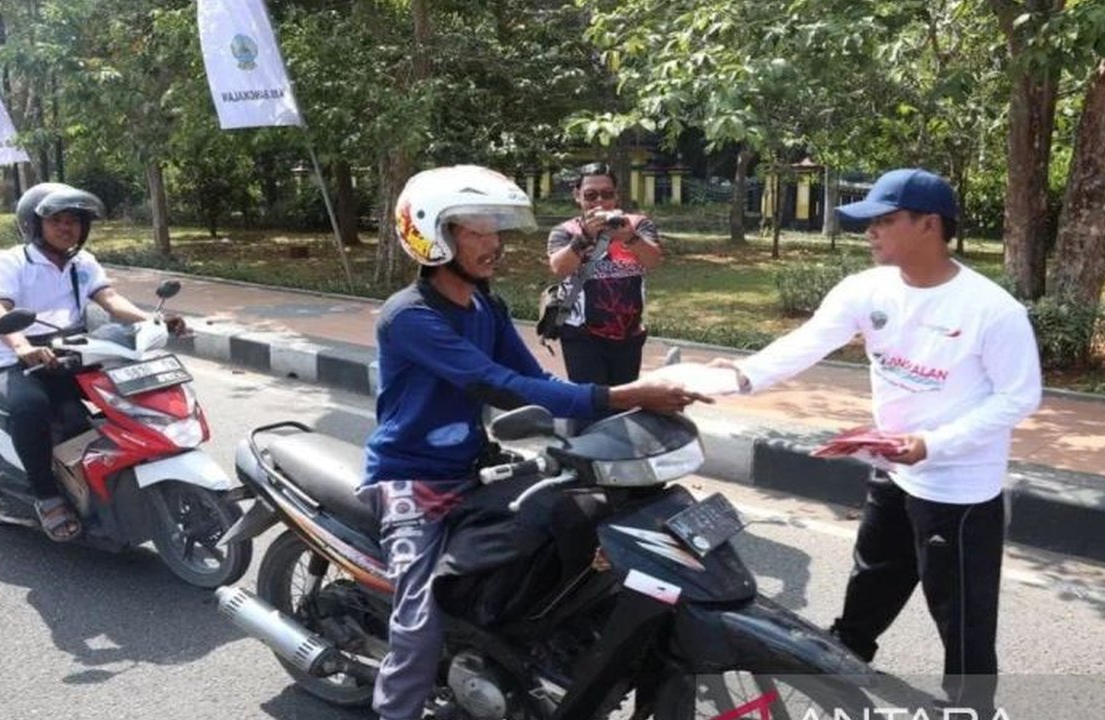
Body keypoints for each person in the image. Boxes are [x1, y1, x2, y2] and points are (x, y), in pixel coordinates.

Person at [362, 165, 706, 720]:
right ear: (434, 235)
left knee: (571, 527)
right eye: (478, 232)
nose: (494, 245)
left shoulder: (485, 307)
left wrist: (624, 397)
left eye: (496, 232)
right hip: (411, 479)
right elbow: (497, 384)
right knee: (418, 620)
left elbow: (538, 384)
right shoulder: (411, 316)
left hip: (474, 466)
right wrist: (617, 395)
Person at [713, 168, 1042, 713]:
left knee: (962, 623)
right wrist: (746, 374)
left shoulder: (992, 310)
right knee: (867, 594)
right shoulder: (866, 289)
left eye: (885, 221)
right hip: (891, 470)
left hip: (957, 492)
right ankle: (835, 691)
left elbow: (1018, 398)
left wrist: (933, 444)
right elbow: (810, 340)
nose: (871, 232)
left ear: (929, 225)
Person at [0, 182, 186, 542]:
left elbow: (110, 300)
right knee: (32, 408)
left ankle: (105, 481)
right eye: (57, 220)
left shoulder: (83, 262)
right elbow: (0, 309)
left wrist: (150, 321)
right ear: (35, 224)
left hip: (68, 351)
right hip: (16, 358)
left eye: (74, 221)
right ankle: (46, 496)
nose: (67, 228)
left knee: (114, 398)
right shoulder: (11, 261)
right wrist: (21, 346)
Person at [546, 162, 662, 385]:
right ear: (577, 196)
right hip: (581, 335)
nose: (599, 201)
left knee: (623, 406)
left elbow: (653, 260)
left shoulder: (637, 225)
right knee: (591, 406)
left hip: (629, 335)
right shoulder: (566, 231)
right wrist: (585, 238)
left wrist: (630, 237)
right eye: (590, 195)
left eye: (607, 194)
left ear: (616, 196)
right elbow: (559, 268)